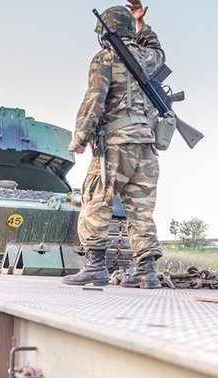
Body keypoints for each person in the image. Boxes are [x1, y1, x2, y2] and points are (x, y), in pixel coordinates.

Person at [63, 0, 164, 289]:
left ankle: (95, 266)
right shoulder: (147, 56)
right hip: (146, 147)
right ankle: (145, 271)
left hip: (115, 146)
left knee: (96, 200)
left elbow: (94, 99)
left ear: (106, 33)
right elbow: (158, 51)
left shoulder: (104, 58)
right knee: (140, 210)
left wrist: (80, 138)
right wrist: (141, 23)